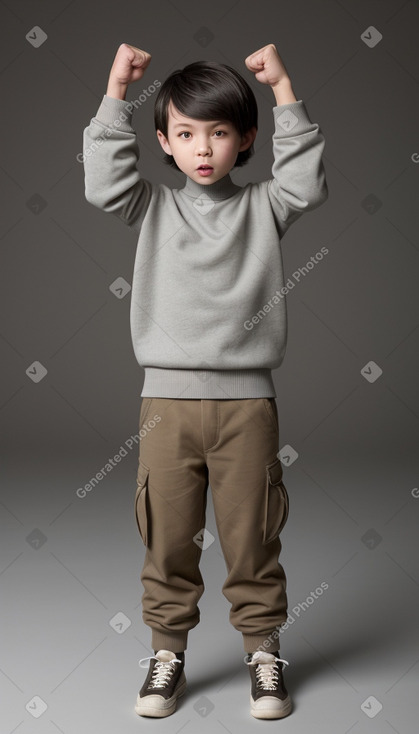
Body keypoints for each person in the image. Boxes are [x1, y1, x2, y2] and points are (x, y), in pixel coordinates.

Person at [82, 41, 328, 720]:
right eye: (185, 132)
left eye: (218, 132)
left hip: (246, 405)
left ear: (245, 140)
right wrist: (115, 89)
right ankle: (167, 654)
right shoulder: (153, 207)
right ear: (161, 140)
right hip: (165, 405)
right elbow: (102, 183)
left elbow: (305, 182)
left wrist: (282, 86)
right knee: (167, 535)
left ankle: (263, 653)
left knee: (252, 537)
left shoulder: (264, 207)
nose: (202, 147)